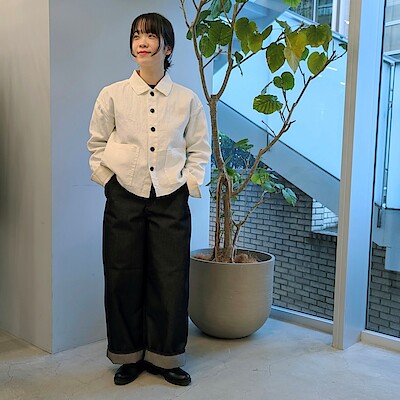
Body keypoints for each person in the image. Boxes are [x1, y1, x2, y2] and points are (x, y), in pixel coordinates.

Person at [87, 12, 211, 387]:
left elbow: (199, 149)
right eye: (136, 35)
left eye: (151, 35)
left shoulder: (187, 100)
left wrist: (188, 184)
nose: (142, 41)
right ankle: (128, 356)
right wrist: (109, 182)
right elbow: (96, 144)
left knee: (171, 278)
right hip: (123, 195)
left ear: (167, 47)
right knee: (122, 275)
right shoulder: (112, 95)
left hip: (171, 198)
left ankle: (166, 357)